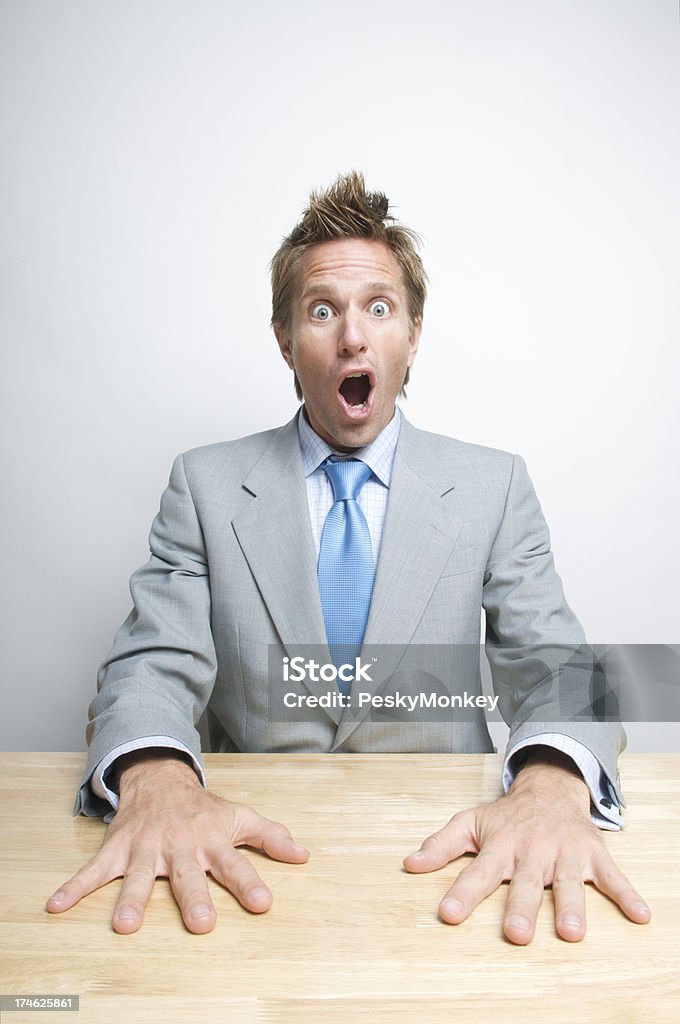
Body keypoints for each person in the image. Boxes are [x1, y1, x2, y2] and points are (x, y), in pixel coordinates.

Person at [47, 171, 650, 944]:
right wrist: (158, 778)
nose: (353, 337)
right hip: (244, 864)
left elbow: (559, 664)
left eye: (379, 308)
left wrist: (554, 782)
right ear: (284, 340)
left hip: (449, 860)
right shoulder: (204, 485)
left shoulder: (492, 485)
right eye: (322, 311)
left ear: (414, 333)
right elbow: (149, 666)